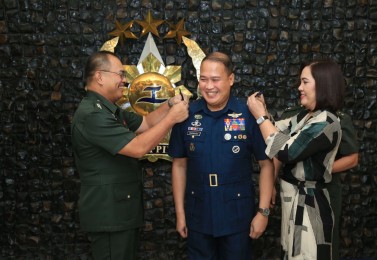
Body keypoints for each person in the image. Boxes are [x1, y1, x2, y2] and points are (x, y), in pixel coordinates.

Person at [71, 51, 189, 259]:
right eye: (120, 74)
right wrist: (171, 119)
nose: (124, 81)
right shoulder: (93, 114)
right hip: (109, 216)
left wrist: (169, 104)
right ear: (99, 76)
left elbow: (146, 123)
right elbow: (137, 148)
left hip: (120, 213)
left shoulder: (109, 110)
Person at [168, 52, 274, 259]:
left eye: (215, 79)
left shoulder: (248, 115)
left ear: (231, 79)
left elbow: (267, 165)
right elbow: (179, 165)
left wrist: (263, 213)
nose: (209, 86)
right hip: (198, 215)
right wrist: (180, 214)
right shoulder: (187, 115)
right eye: (203, 79)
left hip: (237, 216)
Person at [247, 59, 345, 259]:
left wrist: (260, 117)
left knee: (309, 254)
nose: (299, 87)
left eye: (305, 82)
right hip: (294, 199)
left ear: (322, 84)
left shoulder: (327, 122)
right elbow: (275, 130)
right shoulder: (304, 116)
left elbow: (286, 151)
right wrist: (264, 112)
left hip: (312, 205)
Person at [273, 106, 359, 260]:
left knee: (323, 244)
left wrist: (315, 168)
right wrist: (272, 181)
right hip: (292, 190)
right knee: (290, 243)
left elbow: (352, 158)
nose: (301, 88)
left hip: (323, 190)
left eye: (305, 82)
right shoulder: (294, 116)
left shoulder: (334, 118)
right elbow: (279, 150)